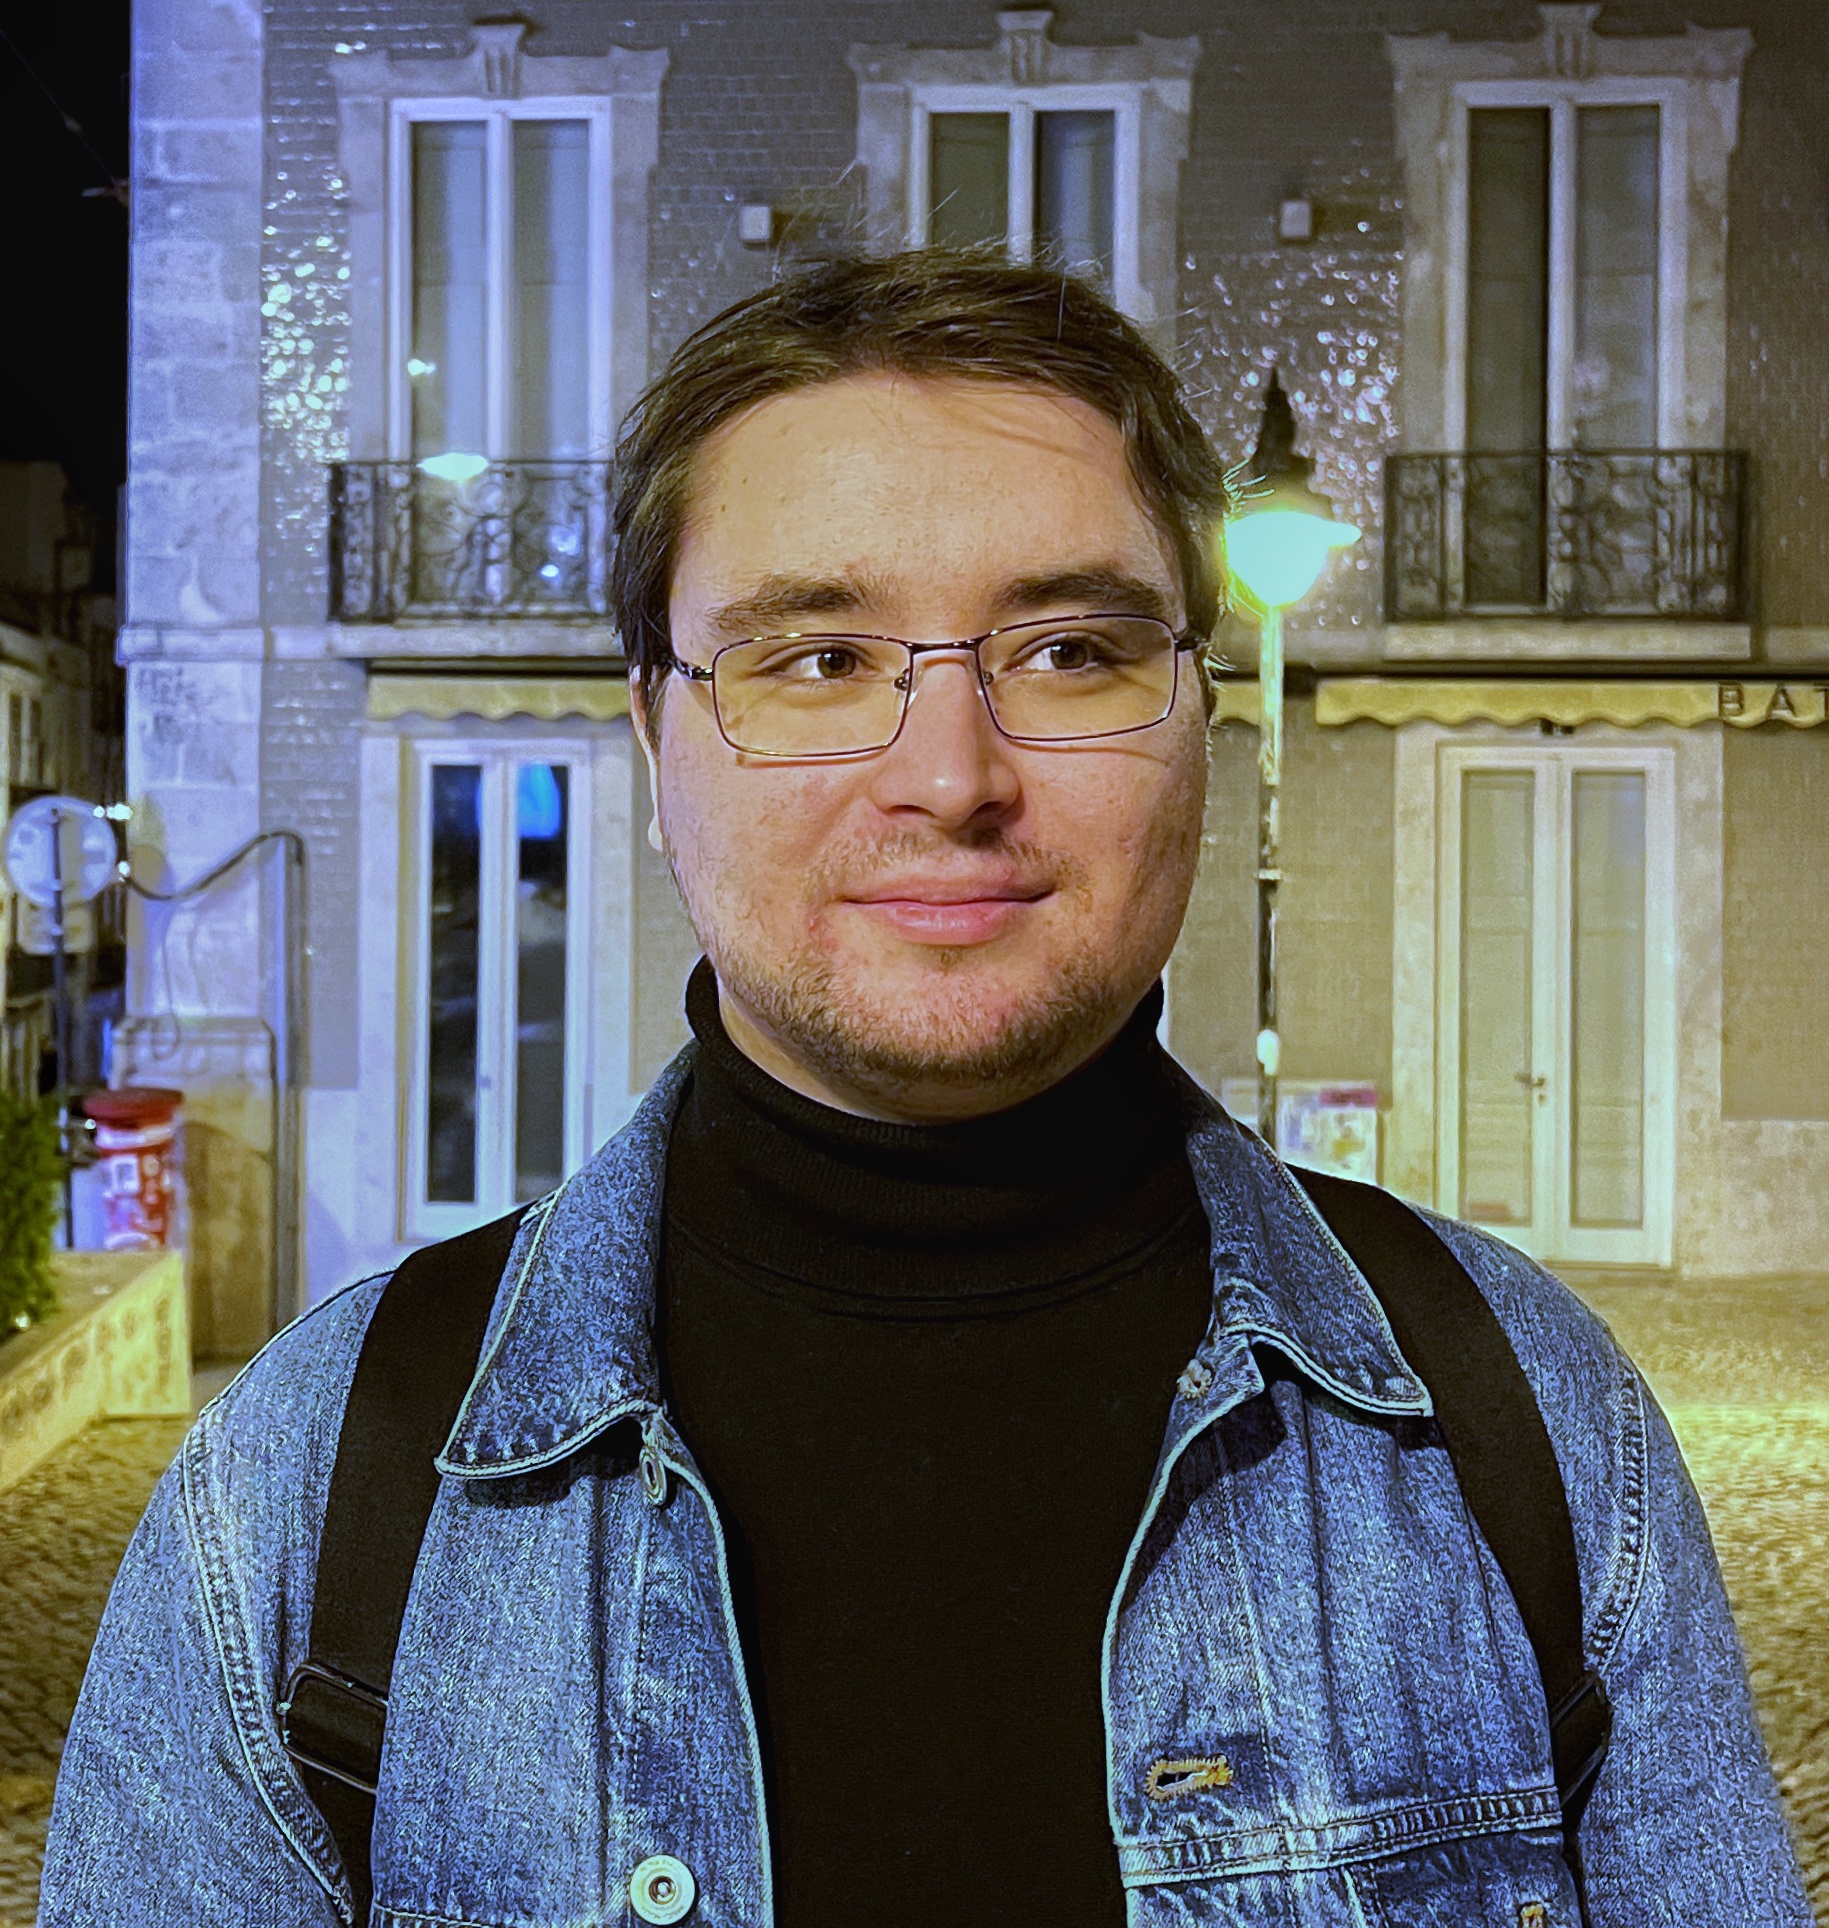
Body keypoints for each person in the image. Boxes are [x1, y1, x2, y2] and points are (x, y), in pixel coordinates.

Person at [40, 253, 1808, 1927]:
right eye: (817, 660)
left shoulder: (1527, 1419)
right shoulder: (297, 1495)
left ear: (1204, 714)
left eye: (1068, 652)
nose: (949, 776)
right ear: (657, 738)